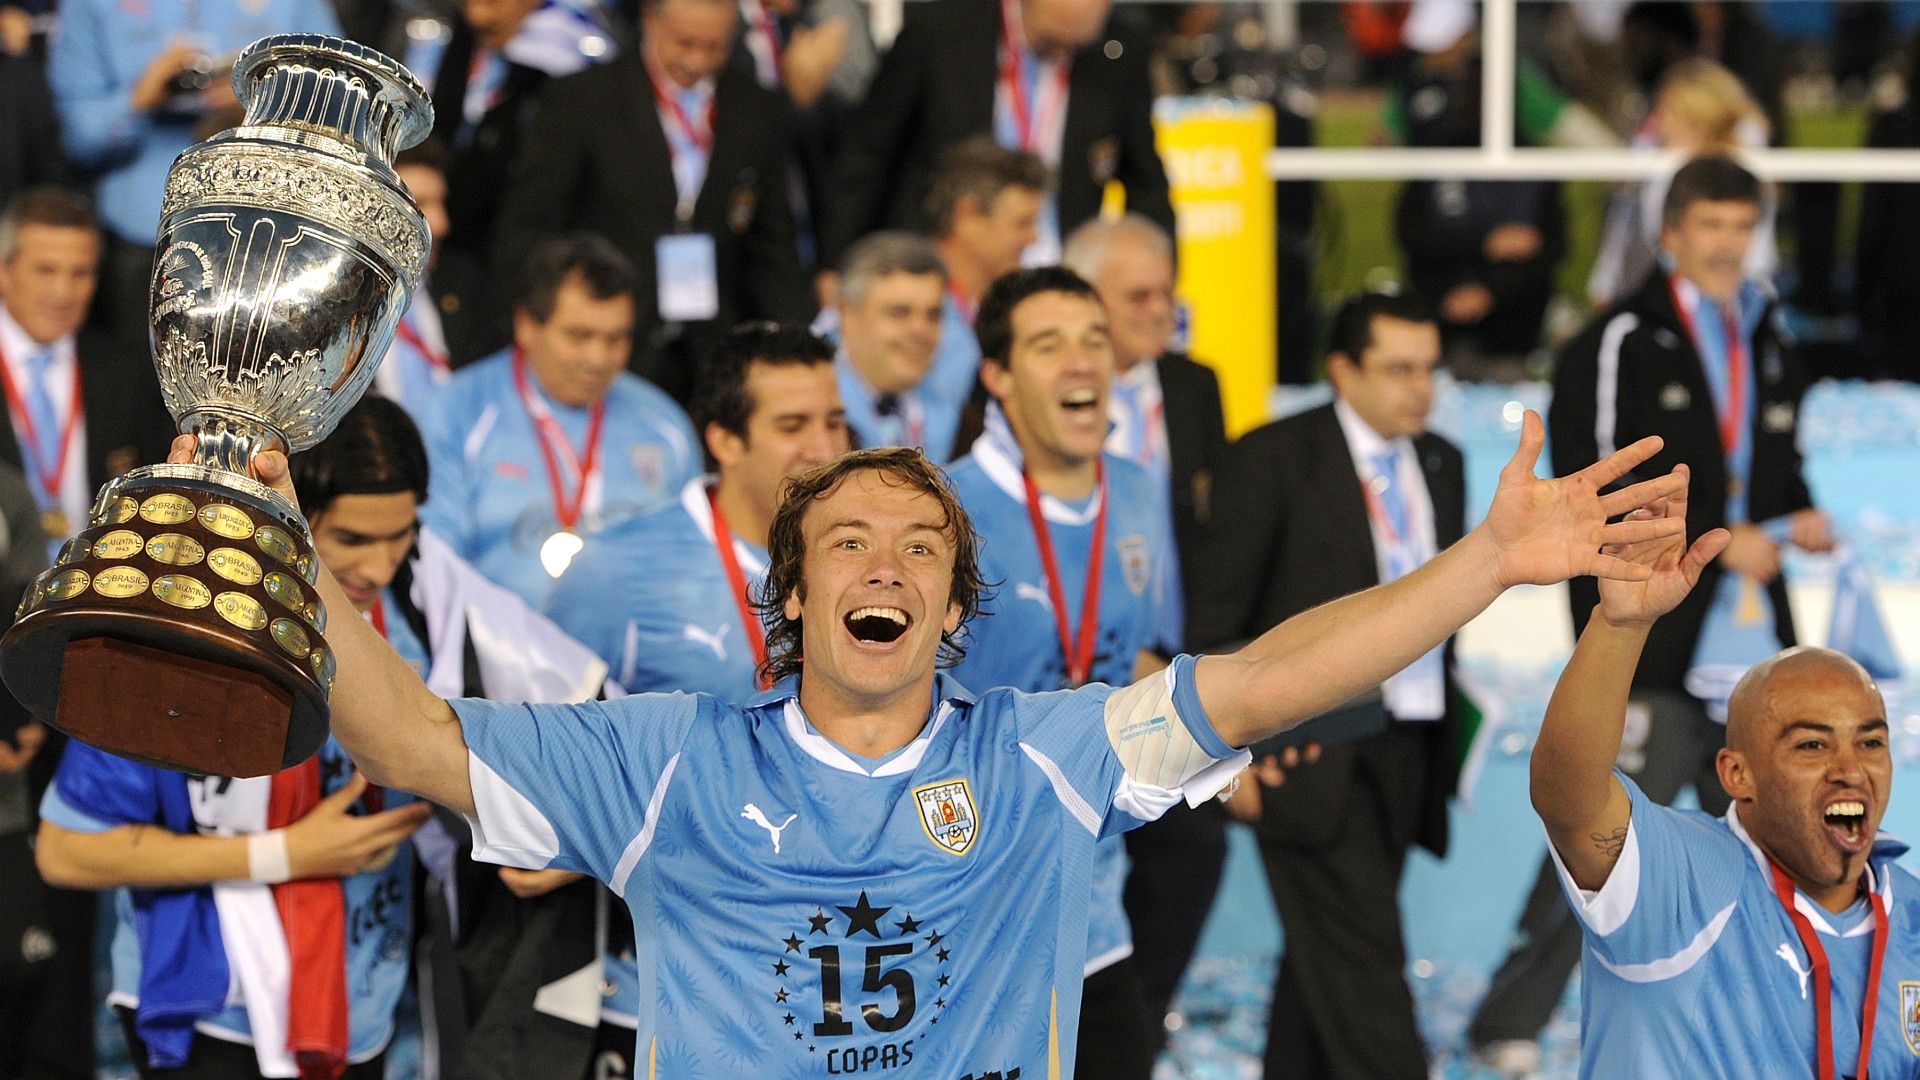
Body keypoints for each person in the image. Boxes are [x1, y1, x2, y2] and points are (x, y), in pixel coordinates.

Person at [171, 369, 1689, 1075]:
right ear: (794, 594)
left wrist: (1489, 563)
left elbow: (1270, 676)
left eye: (920, 549)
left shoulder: (1043, 756)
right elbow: (414, 740)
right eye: (847, 543)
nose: (885, 567)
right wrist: (276, 535)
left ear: (956, 610)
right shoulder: (667, 761)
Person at [1471, 153, 1834, 1071]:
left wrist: (1797, 515)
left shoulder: (1766, 332)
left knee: (1778, 835)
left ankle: (1802, 1013)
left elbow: (1773, 462)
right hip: (1654, 638)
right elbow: (1601, 486)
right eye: (1710, 225)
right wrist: (1720, 538)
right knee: (1601, 830)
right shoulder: (1618, 339)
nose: (1727, 244)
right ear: (1671, 232)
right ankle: (1509, 1020)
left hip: (1748, 636)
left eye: (1741, 226)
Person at [1526, 478, 1920, 1076]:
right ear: (1738, 774)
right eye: (1812, 745)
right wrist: (1620, 625)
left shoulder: (1910, 912)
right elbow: (1568, 798)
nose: (1850, 770)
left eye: (1871, 743)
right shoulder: (1680, 880)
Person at [545, 321, 847, 1078]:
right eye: (792, 425)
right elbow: (548, 759)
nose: (824, 447)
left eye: (834, 421)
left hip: (826, 980)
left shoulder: (864, 564)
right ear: (724, 440)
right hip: (670, 992)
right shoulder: (619, 571)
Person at [290, 396, 619, 1080]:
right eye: (351, 539)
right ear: (288, 509)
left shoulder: (430, 583)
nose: (380, 567)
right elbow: (76, 845)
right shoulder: (211, 599)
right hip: (234, 976)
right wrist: (280, 855)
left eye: (400, 535)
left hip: (387, 958)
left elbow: (589, 709)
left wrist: (582, 836)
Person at [1187, 292, 1464, 1079]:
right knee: (1366, 973)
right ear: (1343, 370)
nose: (1421, 388)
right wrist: (1220, 760)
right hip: (1305, 754)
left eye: (1430, 369)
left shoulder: (1442, 461)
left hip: (1412, 745)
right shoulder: (1269, 458)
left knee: (1324, 974)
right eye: (1399, 369)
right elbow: (1215, 616)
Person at [943, 266, 1166, 1079]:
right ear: (997, 376)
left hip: (1093, 907)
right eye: (1048, 345)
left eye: (1094, 340)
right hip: (968, 913)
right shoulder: (943, 509)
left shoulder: (1136, 491)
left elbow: (1132, 654)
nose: (1081, 361)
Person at [1061, 213, 1229, 1044]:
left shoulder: (1194, 387)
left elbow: (1211, 534)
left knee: (1192, 849)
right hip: (1073, 667)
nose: (1161, 310)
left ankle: (1137, 1028)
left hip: (1173, 663)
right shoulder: (1049, 394)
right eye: (1138, 296)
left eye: (1167, 292)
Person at [496, 0, 811, 401]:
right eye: (684, 43)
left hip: (710, 350)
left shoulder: (756, 109)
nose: (697, 60)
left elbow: (773, 246)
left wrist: (795, 346)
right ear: (650, 21)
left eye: (714, 47)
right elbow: (531, 225)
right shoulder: (581, 99)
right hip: (608, 341)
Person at [415, 235, 700, 609]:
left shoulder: (665, 424)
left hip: (640, 639)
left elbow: (695, 564)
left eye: (615, 339)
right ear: (526, 326)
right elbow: (434, 565)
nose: (598, 358)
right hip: (495, 639)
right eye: (579, 336)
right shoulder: (454, 413)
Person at [45, 0, 339, 345]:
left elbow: (338, 101)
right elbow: (77, 141)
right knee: (132, 373)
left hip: (271, 235)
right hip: (142, 242)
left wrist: (265, 99)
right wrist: (140, 98)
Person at [819, 0, 1172, 270]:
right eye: (1058, 37)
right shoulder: (940, 33)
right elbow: (866, 154)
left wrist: (1160, 272)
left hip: (1056, 266)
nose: (1066, 54)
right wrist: (835, 264)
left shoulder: (1117, 50)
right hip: (938, 266)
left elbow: (1146, 182)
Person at [0, 188, 173, 556]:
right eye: (45, 270)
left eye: (80, 273)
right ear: (3, 270)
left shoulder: (128, 371)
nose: (62, 292)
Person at [922, 138, 1049, 453]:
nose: (1034, 238)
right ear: (966, 216)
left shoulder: (988, 308)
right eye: (1022, 223)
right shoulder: (900, 301)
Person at [831, 233, 958, 459]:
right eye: (899, 312)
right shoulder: (809, 414)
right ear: (847, 315)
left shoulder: (960, 422)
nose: (920, 330)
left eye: (933, 315)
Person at [373, 139, 458, 413]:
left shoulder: (465, 289)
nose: (442, 224)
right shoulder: (334, 308)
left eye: (441, 203)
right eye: (420, 205)